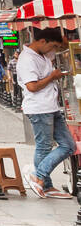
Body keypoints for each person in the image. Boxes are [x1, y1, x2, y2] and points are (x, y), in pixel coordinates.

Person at [16, 27, 76, 199]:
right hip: (39, 108)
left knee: (68, 145)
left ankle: (44, 182)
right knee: (44, 147)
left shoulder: (43, 54)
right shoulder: (27, 59)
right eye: (53, 46)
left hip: (51, 107)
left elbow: (64, 44)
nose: (54, 51)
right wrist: (52, 76)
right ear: (43, 42)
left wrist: (57, 26)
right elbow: (32, 86)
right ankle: (40, 178)